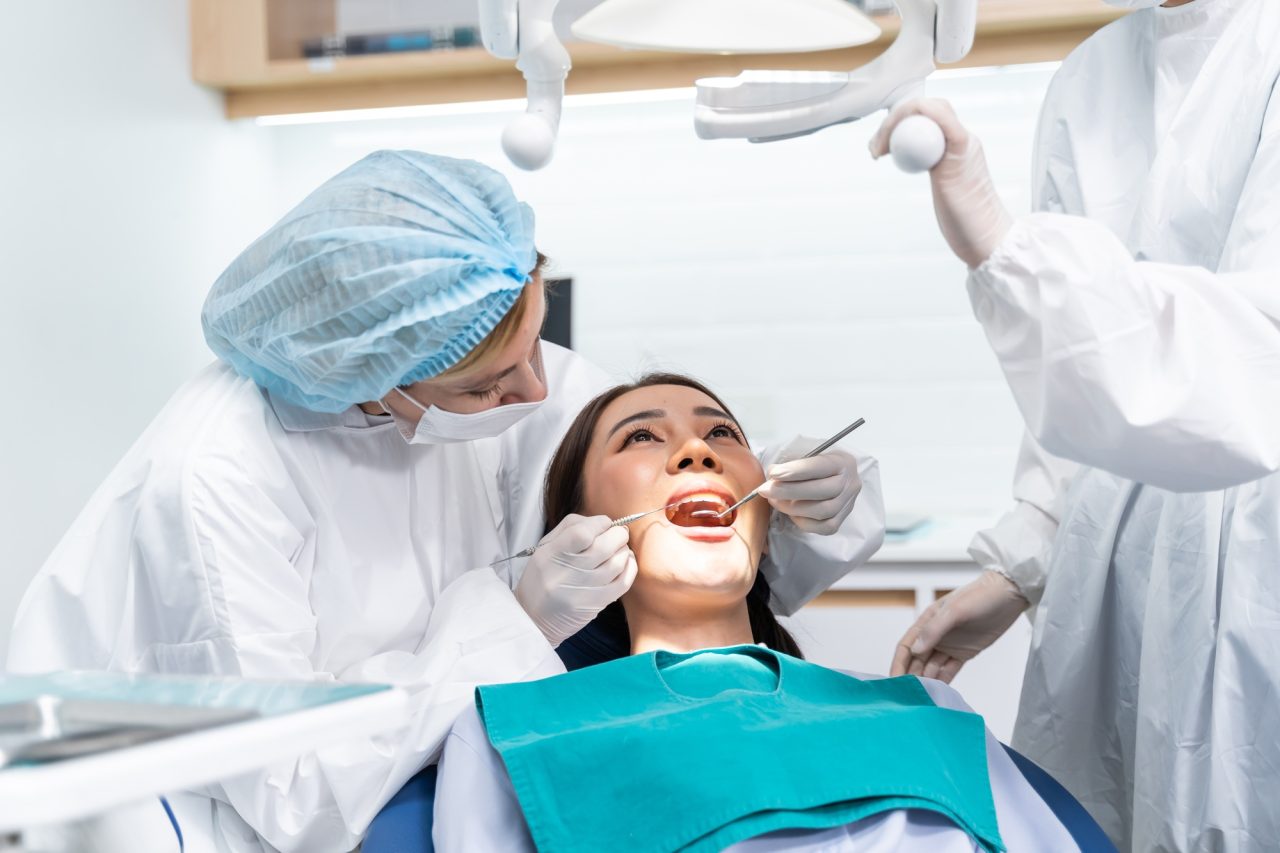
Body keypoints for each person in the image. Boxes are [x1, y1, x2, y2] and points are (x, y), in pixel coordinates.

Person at [5, 152, 885, 853]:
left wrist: (808, 495)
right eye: (495, 385)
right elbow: (295, 788)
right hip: (167, 811)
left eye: (539, 341)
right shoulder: (216, 484)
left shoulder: (472, 341)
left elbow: (638, 450)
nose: (539, 389)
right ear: (379, 377)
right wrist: (514, 621)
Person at [870, 0, 1280, 848]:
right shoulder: (1092, 76)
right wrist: (1026, 559)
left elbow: (1251, 373)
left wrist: (999, 240)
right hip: (1115, 584)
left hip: (1256, 574)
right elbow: (1083, 389)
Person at [432, 374, 1108, 853]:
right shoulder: (513, 739)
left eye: (722, 433)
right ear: (577, 525)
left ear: (768, 509)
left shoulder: (930, 712)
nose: (697, 452)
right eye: (640, 437)